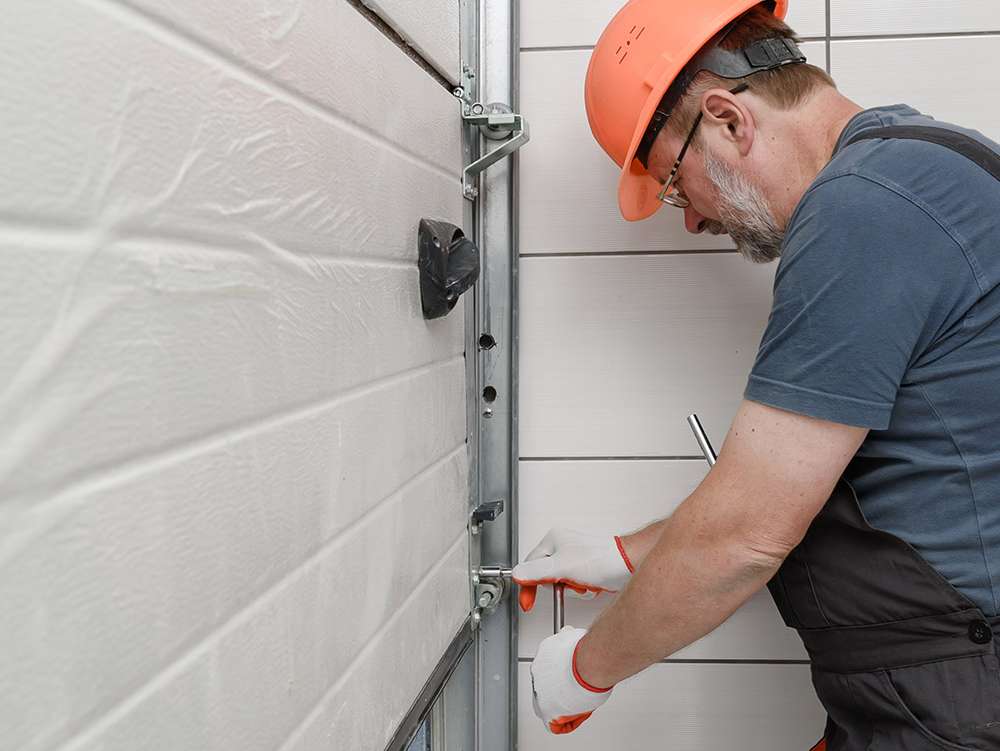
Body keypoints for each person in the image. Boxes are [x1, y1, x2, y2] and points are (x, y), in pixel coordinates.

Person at [512, 1, 1000, 748]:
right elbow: (790, 479)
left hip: (957, 697)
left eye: (675, 183)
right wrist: (623, 555)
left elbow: (743, 535)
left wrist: (584, 667)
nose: (690, 218)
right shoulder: (925, 161)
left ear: (728, 121)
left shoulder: (864, 214)